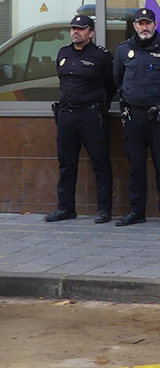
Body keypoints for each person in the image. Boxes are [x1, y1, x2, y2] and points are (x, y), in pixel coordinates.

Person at [112, 8, 160, 227]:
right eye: (140, 23)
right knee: (135, 166)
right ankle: (136, 211)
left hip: (159, 117)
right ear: (134, 26)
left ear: (155, 25)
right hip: (133, 116)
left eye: (148, 23)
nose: (144, 27)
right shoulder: (123, 51)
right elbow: (117, 79)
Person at [45, 15, 116, 224]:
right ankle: (65, 208)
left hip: (91, 115)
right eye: (73, 28)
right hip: (66, 115)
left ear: (91, 33)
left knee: (100, 163)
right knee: (66, 164)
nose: (75, 32)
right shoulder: (63, 53)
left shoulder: (101, 56)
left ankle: (104, 209)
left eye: (81, 29)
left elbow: (112, 84)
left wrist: (101, 106)